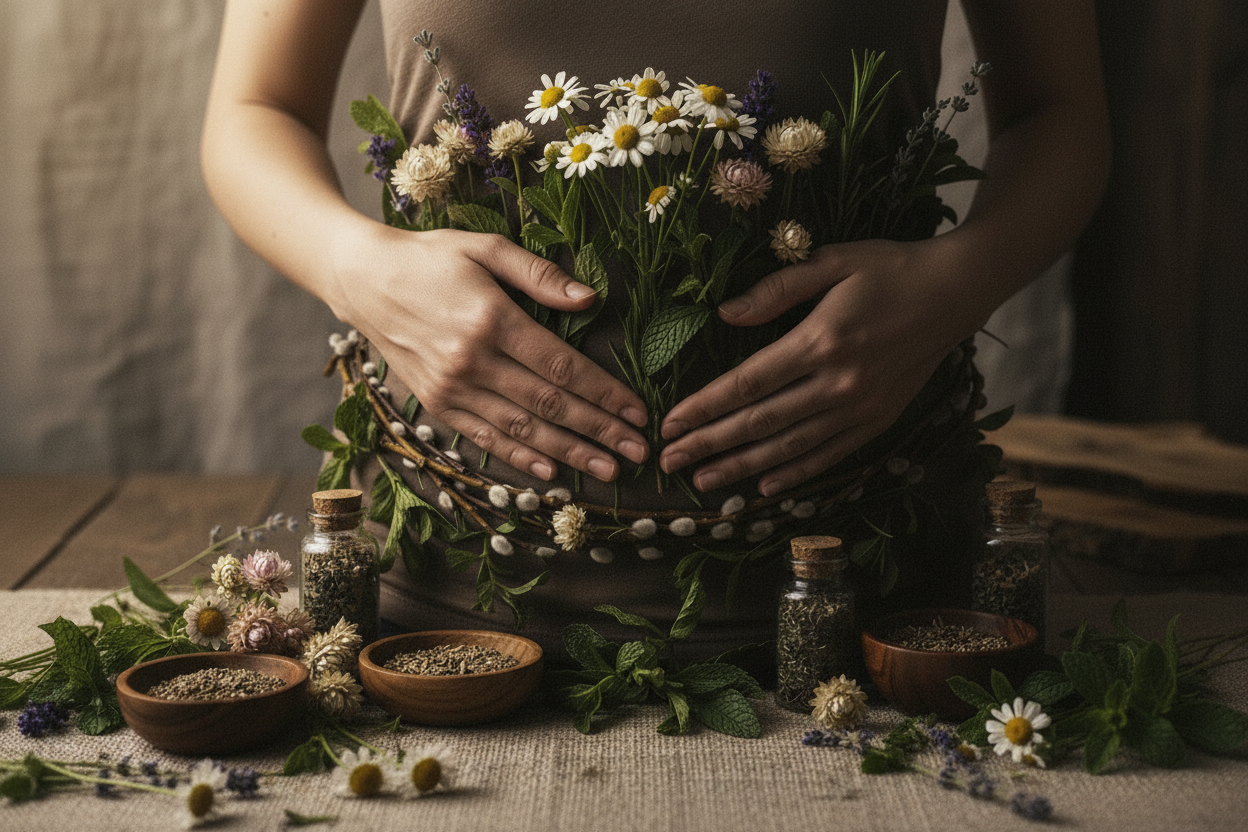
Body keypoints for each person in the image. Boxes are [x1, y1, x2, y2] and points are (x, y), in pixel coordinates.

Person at [201, 0, 1110, 656]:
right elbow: (255, 109)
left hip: (886, 631)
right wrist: (356, 267)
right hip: (431, 636)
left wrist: (959, 281)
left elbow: (1056, 111)